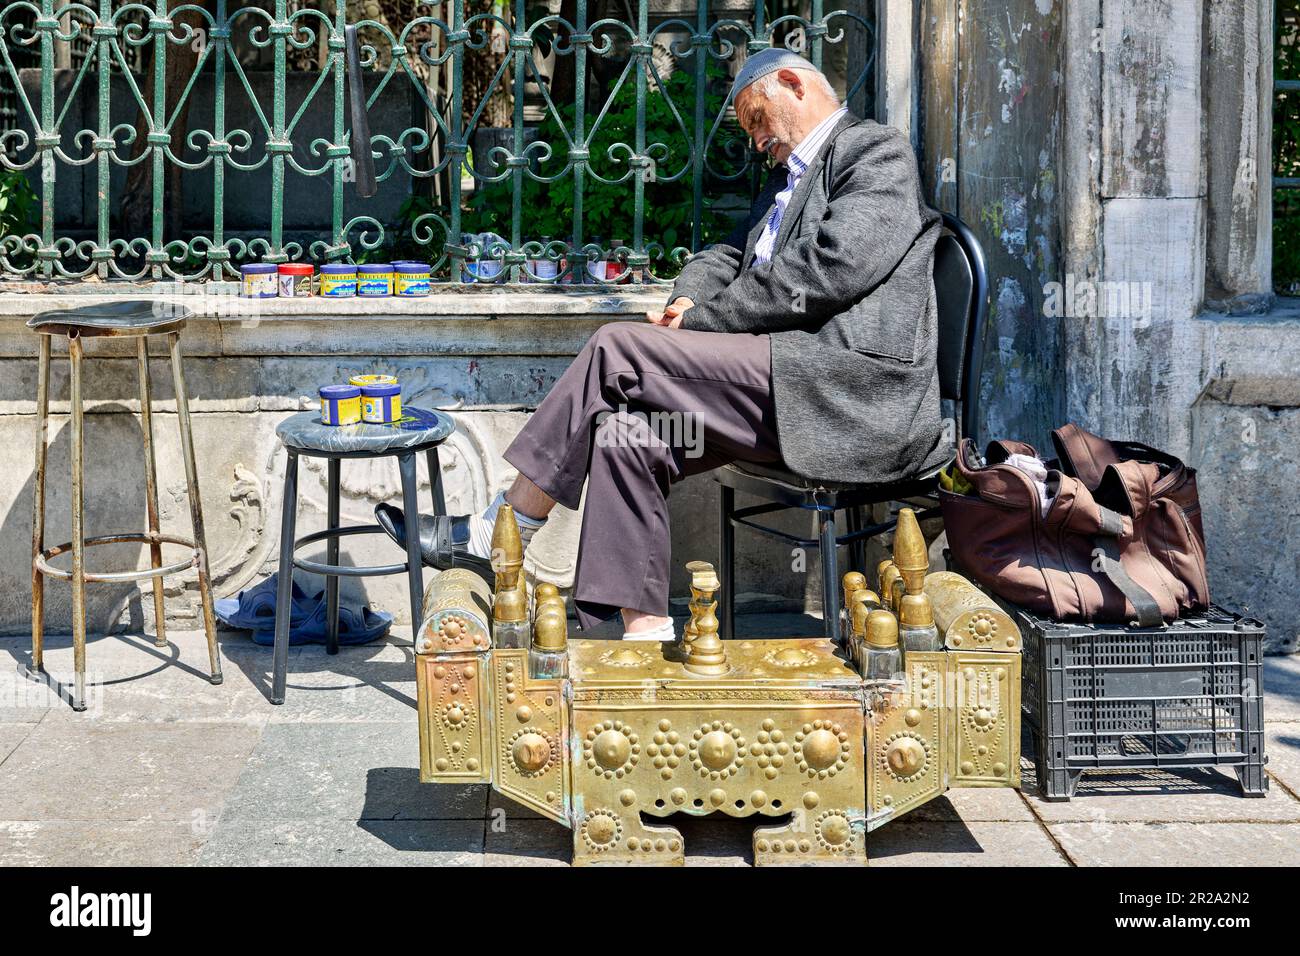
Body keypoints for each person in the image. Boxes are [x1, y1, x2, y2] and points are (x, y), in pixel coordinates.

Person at [376, 48, 949, 640]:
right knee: (625, 435)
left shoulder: (874, 152)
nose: (754, 141)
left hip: (843, 396)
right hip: (768, 405)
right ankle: (645, 636)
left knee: (617, 349)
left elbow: (831, 269)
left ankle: (505, 526)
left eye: (755, 120)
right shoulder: (784, 181)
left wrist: (701, 324)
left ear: (791, 83)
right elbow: (726, 255)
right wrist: (686, 301)